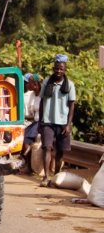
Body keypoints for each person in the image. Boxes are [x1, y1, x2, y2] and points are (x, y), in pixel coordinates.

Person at [38, 54, 76, 187]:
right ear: (53, 69)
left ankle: (56, 176)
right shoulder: (47, 82)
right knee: (47, 147)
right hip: (47, 121)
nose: (58, 71)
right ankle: (46, 176)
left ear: (65, 70)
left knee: (60, 152)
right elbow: (42, 102)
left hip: (63, 122)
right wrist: (40, 121)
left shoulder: (70, 85)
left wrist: (68, 124)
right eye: (56, 68)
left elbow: (71, 105)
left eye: (61, 69)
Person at [20, 73, 43, 174]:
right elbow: (32, 114)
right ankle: (28, 166)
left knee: (26, 140)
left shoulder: (43, 96)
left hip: (42, 122)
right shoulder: (32, 95)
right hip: (35, 121)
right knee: (24, 138)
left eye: (29, 83)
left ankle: (29, 166)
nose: (28, 85)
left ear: (35, 84)